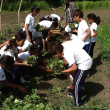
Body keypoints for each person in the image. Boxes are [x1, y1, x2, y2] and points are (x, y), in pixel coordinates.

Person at [48, 41, 92, 108]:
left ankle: (78, 104)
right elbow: (67, 63)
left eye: (54, 55)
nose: (55, 56)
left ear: (57, 52)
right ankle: (75, 94)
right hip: (82, 60)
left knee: (77, 84)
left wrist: (63, 72)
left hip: (84, 64)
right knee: (76, 81)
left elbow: (74, 68)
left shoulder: (67, 54)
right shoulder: (64, 48)